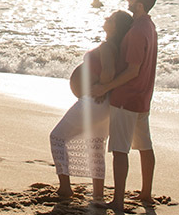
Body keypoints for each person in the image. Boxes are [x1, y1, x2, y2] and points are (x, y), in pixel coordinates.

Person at [51, 10, 133, 201]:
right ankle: (98, 193)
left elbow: (108, 72)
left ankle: (65, 187)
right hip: (104, 105)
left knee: (57, 137)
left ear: (115, 27)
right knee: (96, 146)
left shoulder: (107, 46)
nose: (106, 19)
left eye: (110, 19)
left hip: (94, 102)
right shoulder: (116, 47)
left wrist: (101, 87)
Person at [92, 0, 158, 209]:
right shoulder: (150, 26)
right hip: (143, 97)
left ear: (139, 4)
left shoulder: (137, 31)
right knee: (145, 146)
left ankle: (118, 200)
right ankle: (146, 193)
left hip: (127, 97)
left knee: (120, 150)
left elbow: (132, 70)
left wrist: (105, 87)